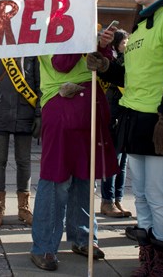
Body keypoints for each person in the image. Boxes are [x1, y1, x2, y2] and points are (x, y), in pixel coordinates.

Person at [88, 0, 163, 276]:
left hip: (161, 120)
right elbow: (132, 74)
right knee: (144, 196)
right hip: (135, 118)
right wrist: (108, 66)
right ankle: (148, 260)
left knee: (160, 196)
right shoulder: (138, 29)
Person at [29, 51, 120, 272]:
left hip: (87, 107)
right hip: (61, 107)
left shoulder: (82, 23)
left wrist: (103, 46)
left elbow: (101, 66)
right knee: (56, 179)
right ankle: (44, 246)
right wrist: (81, 42)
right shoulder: (50, 25)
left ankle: (84, 237)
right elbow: (62, 63)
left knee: (85, 177)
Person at [0, 57, 41, 228]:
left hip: (26, 111)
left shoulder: (34, 48)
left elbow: (41, 83)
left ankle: (23, 208)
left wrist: (40, 114)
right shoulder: (0, 47)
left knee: (24, 162)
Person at [98, 29, 132, 218]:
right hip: (115, 111)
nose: (127, 45)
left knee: (123, 160)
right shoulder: (116, 60)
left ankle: (118, 198)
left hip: (126, 111)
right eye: (125, 42)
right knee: (113, 158)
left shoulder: (128, 58)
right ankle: (107, 200)